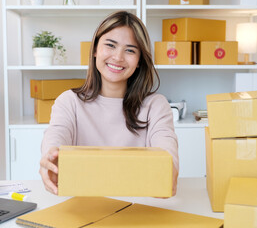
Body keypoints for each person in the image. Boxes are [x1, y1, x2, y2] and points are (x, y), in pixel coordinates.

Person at [39, 10, 179, 196]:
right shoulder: (69, 102)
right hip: (83, 206)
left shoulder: (155, 106)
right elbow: (56, 136)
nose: (118, 57)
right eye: (110, 45)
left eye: (130, 50)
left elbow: (167, 157)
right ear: (96, 49)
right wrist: (51, 156)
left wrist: (168, 171)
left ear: (139, 61)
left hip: (139, 207)